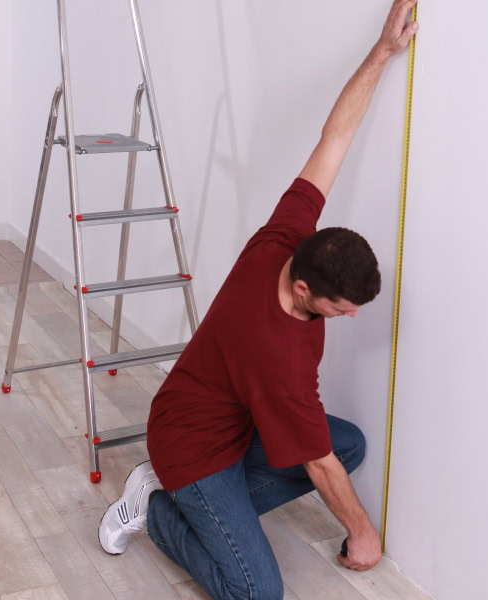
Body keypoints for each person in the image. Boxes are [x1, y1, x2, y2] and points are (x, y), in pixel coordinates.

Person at [98, 1, 419, 598]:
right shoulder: (280, 359)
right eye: (340, 307)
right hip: (191, 444)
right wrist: (364, 534)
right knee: (257, 591)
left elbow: (336, 135)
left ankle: (206, 509)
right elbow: (318, 467)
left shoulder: (285, 238)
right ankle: (163, 510)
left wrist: (381, 51)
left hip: (235, 419)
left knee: (347, 443)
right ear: (304, 289)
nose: (350, 316)